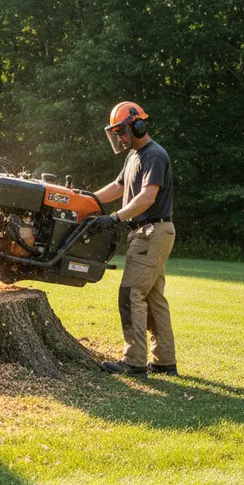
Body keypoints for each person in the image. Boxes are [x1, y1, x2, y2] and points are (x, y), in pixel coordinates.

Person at [90, 101, 178, 377]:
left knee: (131, 294)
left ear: (138, 126)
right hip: (149, 232)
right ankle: (164, 362)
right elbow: (118, 187)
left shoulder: (154, 155)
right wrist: (87, 201)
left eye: (123, 131)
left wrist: (114, 218)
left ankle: (134, 362)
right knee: (153, 299)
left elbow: (147, 196)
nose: (120, 138)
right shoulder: (134, 156)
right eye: (116, 133)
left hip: (152, 232)